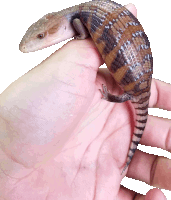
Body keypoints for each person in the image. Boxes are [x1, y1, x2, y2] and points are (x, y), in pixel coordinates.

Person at [0, 3, 170, 200]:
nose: (36, 42)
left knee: (135, 108)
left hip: (135, 85)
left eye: (41, 37)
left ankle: (130, 150)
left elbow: (81, 30)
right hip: (139, 79)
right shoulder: (79, 17)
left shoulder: (78, 20)